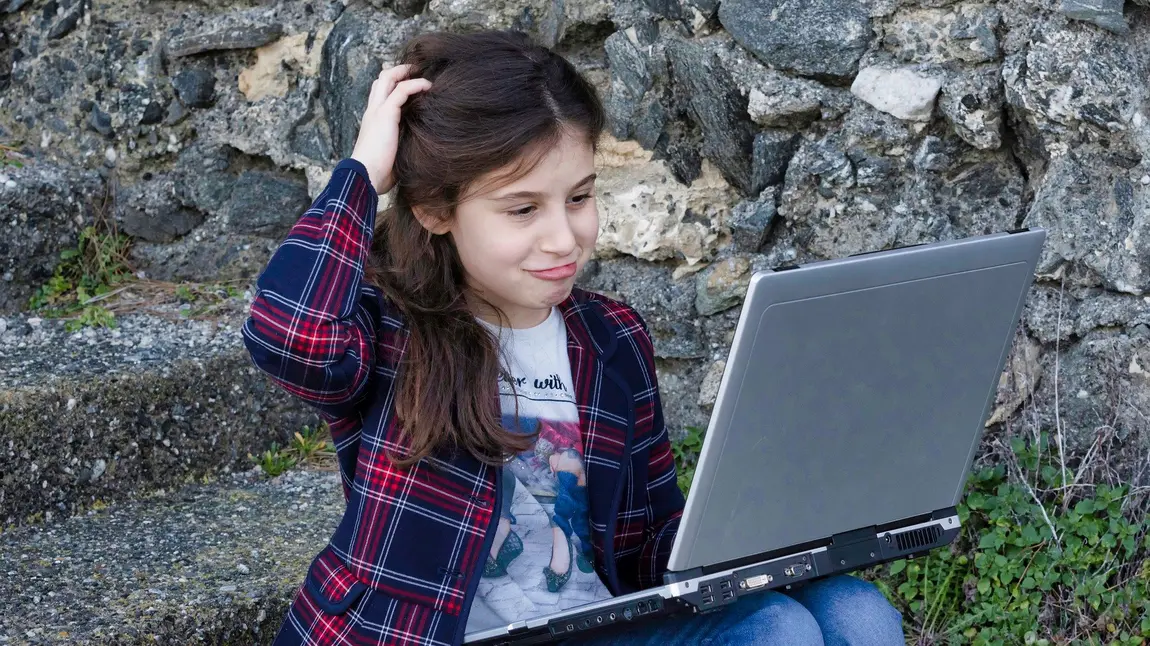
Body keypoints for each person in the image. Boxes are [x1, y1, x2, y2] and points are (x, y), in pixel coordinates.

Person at [241, 29, 905, 646]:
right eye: (523, 209)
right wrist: (361, 173)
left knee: (856, 612)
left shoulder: (611, 338)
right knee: (776, 634)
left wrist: (764, 531)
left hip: (590, 623)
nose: (564, 239)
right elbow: (291, 335)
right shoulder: (390, 329)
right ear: (436, 211)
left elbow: (647, 541)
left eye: (580, 198)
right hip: (430, 634)